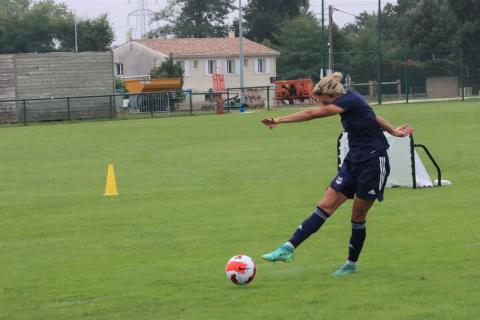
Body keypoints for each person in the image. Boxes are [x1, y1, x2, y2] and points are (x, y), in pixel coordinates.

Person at [260, 72, 413, 276]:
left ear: (334, 97)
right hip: (353, 161)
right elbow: (373, 116)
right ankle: (287, 248)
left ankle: (351, 264)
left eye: (324, 103)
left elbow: (310, 114)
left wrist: (279, 119)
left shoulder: (349, 100)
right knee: (325, 206)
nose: (323, 107)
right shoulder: (351, 100)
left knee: (357, 216)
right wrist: (393, 131)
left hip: (373, 162)